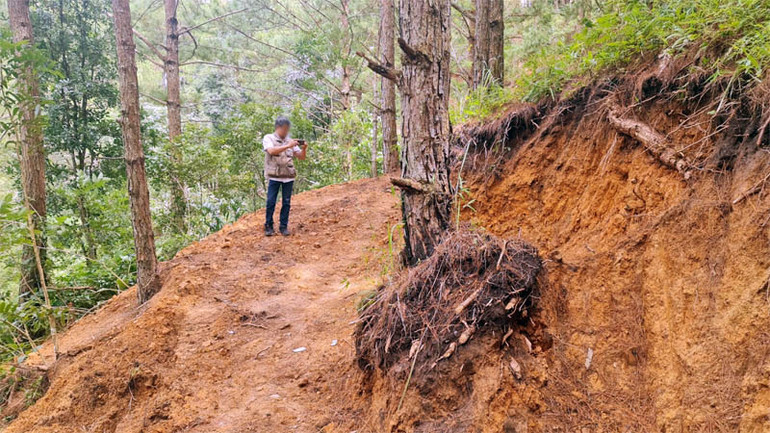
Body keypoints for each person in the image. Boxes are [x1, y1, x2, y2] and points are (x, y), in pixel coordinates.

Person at [263, 116, 307, 236]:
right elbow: (271, 151)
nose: (286, 132)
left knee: (286, 203)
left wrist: (304, 149)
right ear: (278, 128)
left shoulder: (290, 141)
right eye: (284, 129)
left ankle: (283, 226)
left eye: (287, 129)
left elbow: (301, 157)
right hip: (274, 176)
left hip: (288, 176)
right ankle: (268, 226)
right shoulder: (269, 138)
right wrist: (288, 146)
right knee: (271, 201)